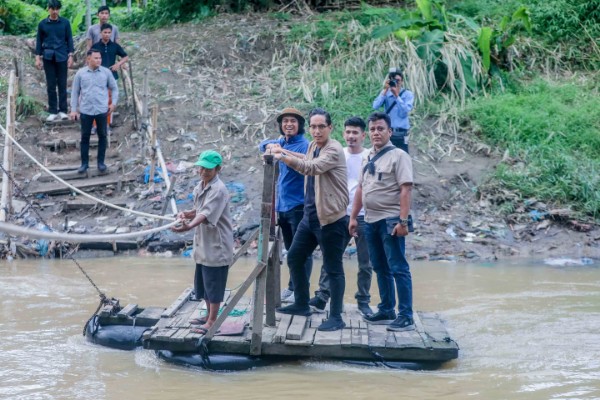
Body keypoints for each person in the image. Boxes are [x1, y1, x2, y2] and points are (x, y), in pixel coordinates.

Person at [269, 108, 349, 332]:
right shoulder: (313, 146)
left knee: (333, 268)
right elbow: (305, 158)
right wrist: (283, 150)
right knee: (294, 257)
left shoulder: (333, 150)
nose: (316, 131)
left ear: (330, 128)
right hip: (310, 215)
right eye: (313, 127)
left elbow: (312, 167)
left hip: (331, 218)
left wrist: (282, 156)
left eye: (321, 126)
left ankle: (336, 316)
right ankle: (302, 303)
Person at [349, 112, 415, 332]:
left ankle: (406, 315)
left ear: (390, 131)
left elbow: (406, 189)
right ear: (368, 133)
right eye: (373, 129)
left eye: (381, 129)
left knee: (398, 267)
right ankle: (387, 308)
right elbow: (361, 188)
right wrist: (353, 217)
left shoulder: (399, 156)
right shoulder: (368, 156)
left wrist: (403, 222)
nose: (376, 133)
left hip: (390, 219)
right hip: (369, 220)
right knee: (379, 266)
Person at [308, 117, 374, 317]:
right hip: (339, 213)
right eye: (348, 132)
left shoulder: (370, 156)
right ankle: (322, 296)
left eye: (355, 133)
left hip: (364, 215)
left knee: (365, 262)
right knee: (331, 257)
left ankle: (363, 300)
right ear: (343, 134)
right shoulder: (338, 153)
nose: (351, 136)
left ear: (364, 135)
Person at [171, 150, 233, 333]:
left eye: (209, 169)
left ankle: (213, 321)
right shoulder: (201, 186)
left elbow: (206, 214)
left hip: (217, 244)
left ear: (217, 169)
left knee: (214, 284)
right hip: (203, 243)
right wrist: (186, 214)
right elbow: (198, 210)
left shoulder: (218, 189)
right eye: (202, 167)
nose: (204, 171)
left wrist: (188, 226)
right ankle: (208, 315)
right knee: (204, 282)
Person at [258, 108, 311, 303]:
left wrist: (280, 151)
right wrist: (273, 146)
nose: (289, 124)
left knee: (301, 252)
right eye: (285, 121)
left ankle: (299, 290)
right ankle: (293, 286)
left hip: (298, 205)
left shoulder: (304, 145)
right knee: (290, 249)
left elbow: (306, 162)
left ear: (300, 125)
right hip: (283, 206)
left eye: (293, 121)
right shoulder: (281, 142)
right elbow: (261, 145)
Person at [69, 49, 119, 174]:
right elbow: (75, 92)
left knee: (102, 136)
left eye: (100, 58)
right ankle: (84, 164)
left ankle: (101, 163)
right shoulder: (80, 74)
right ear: (88, 59)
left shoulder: (106, 72)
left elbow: (114, 88)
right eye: (96, 58)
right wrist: (73, 110)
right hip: (86, 110)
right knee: (85, 137)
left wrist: (113, 103)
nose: (99, 60)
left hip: (102, 110)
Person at [35, 0, 74, 122]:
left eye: (57, 9)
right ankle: (52, 110)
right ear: (48, 9)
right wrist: (37, 57)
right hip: (48, 56)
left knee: (62, 83)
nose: (55, 11)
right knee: (51, 84)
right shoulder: (42, 24)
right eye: (53, 9)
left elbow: (69, 39)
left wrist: (71, 56)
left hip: (62, 55)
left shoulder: (65, 23)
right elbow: (38, 42)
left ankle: (63, 110)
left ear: (59, 10)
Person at [91, 23, 128, 134]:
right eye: (105, 32)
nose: (107, 35)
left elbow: (125, 56)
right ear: (100, 33)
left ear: (111, 33)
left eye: (109, 33)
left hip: (111, 76)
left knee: (109, 101)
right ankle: (94, 125)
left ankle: (106, 125)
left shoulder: (115, 46)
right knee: (95, 100)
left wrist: (118, 64)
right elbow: (90, 59)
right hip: (97, 76)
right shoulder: (96, 46)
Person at [372, 67, 414, 153]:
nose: (396, 82)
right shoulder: (386, 93)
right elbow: (375, 106)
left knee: (403, 158)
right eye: (393, 80)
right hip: (387, 132)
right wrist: (384, 91)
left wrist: (396, 96)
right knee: (386, 158)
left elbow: (405, 112)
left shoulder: (408, 94)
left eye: (398, 80)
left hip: (401, 134)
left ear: (402, 81)